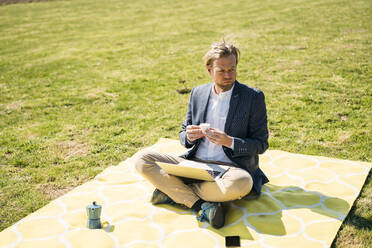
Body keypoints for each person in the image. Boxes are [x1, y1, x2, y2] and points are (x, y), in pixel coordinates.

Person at [134, 40, 269, 229]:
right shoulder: (197, 93)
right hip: (194, 165)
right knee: (142, 159)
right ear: (209, 70)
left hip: (230, 170)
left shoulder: (253, 97)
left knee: (243, 183)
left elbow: (261, 144)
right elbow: (183, 134)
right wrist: (188, 136)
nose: (228, 75)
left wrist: (229, 141)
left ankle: (174, 193)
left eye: (232, 69)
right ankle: (201, 205)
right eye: (221, 70)